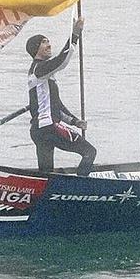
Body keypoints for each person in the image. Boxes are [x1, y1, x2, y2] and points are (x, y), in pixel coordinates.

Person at [26, 17, 96, 177]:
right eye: (44, 42)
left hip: (38, 130)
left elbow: (55, 106)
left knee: (46, 173)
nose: (49, 45)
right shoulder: (40, 69)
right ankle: (81, 189)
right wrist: (75, 34)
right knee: (89, 152)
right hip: (49, 127)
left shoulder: (38, 73)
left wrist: (75, 121)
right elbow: (61, 61)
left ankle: (50, 195)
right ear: (36, 48)